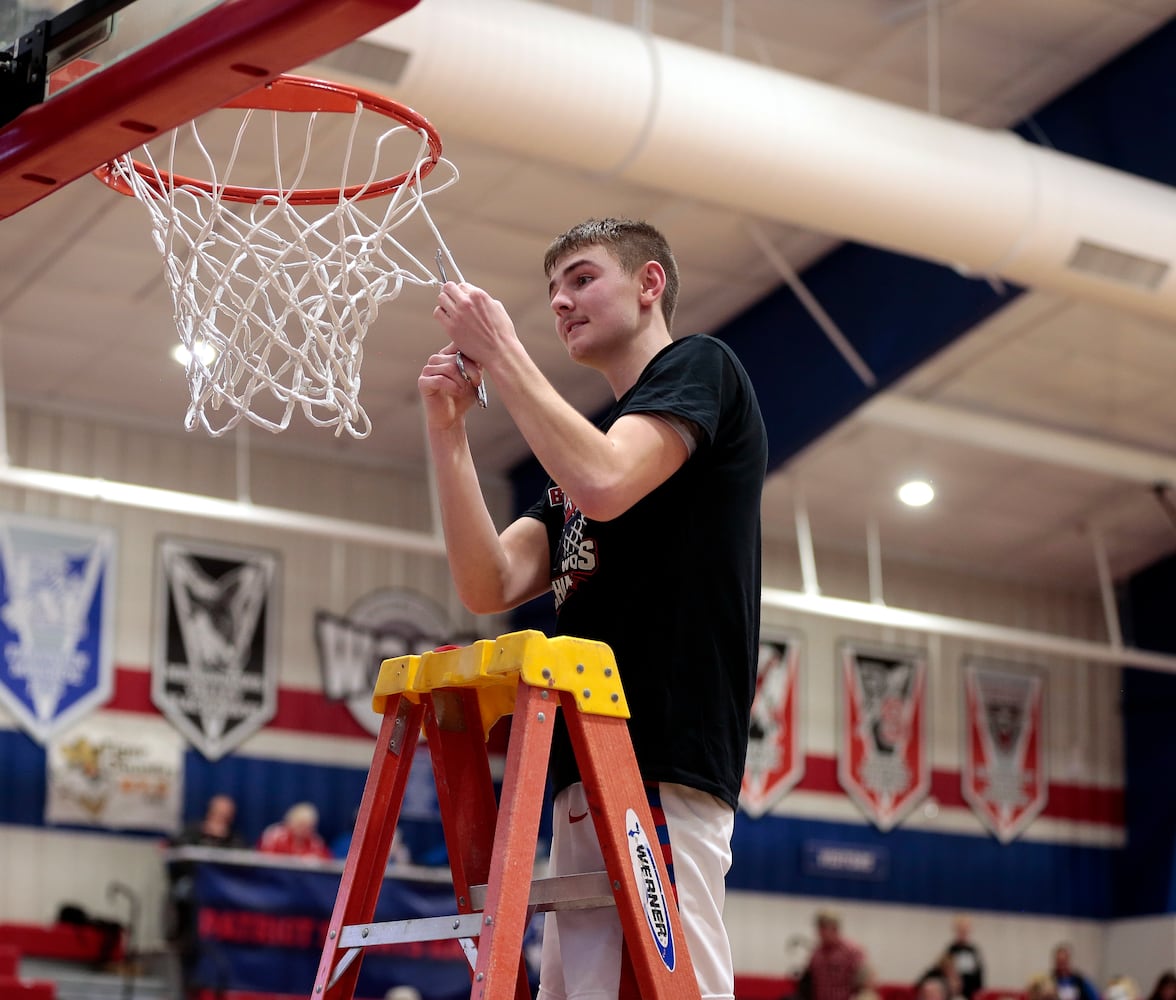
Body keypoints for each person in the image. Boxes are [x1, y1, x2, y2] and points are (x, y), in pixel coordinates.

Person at [419, 217, 767, 1000]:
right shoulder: (588, 454)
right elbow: (489, 581)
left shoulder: (702, 367)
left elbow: (607, 482)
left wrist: (502, 353)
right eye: (552, 290)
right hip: (583, 764)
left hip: (663, 757)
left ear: (649, 284)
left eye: (581, 278)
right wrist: (447, 432)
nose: (560, 302)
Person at [165, 794, 246, 998]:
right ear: (211, 810)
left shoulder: (234, 839)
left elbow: (243, 864)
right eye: (219, 810)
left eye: (227, 812)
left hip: (223, 894)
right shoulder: (193, 832)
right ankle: (184, 935)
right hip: (194, 888)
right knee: (186, 891)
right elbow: (177, 855)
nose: (222, 815)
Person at [798, 911, 867, 1000]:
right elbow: (810, 982)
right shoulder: (816, 953)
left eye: (824, 928)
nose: (820, 932)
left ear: (835, 928)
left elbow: (865, 983)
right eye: (819, 928)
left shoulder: (852, 950)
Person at [257, 801, 332, 859]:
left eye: (309, 826)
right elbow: (264, 860)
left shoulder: (316, 843)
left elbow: (327, 864)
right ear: (290, 821)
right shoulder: (274, 836)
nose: (304, 830)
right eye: (301, 825)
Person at [945, 915, 984, 1000]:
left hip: (970, 992)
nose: (963, 933)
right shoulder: (951, 949)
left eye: (966, 930)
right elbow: (946, 971)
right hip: (954, 992)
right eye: (961, 930)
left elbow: (979, 974)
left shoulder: (973, 950)